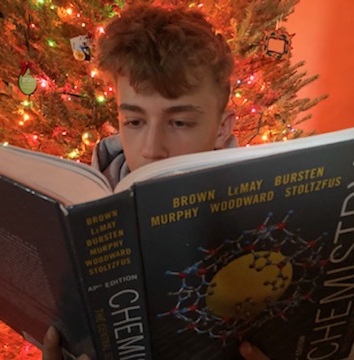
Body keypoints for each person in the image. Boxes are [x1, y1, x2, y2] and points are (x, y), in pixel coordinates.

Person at [44, 3, 269, 360]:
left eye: (179, 122)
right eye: (134, 122)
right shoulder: (88, 201)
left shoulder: (267, 212)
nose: (151, 150)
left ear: (222, 128)